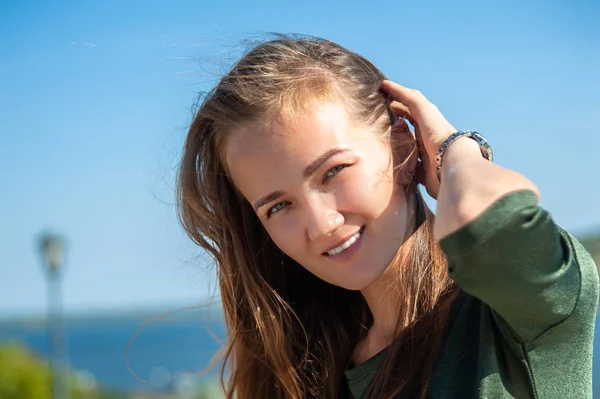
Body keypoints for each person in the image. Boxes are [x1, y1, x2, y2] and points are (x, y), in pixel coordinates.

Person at [176, 35, 599, 398]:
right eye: (279, 205)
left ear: (401, 143)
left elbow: (484, 215)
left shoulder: (515, 312)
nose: (321, 223)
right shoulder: (313, 370)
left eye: (334, 171)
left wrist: (455, 148)